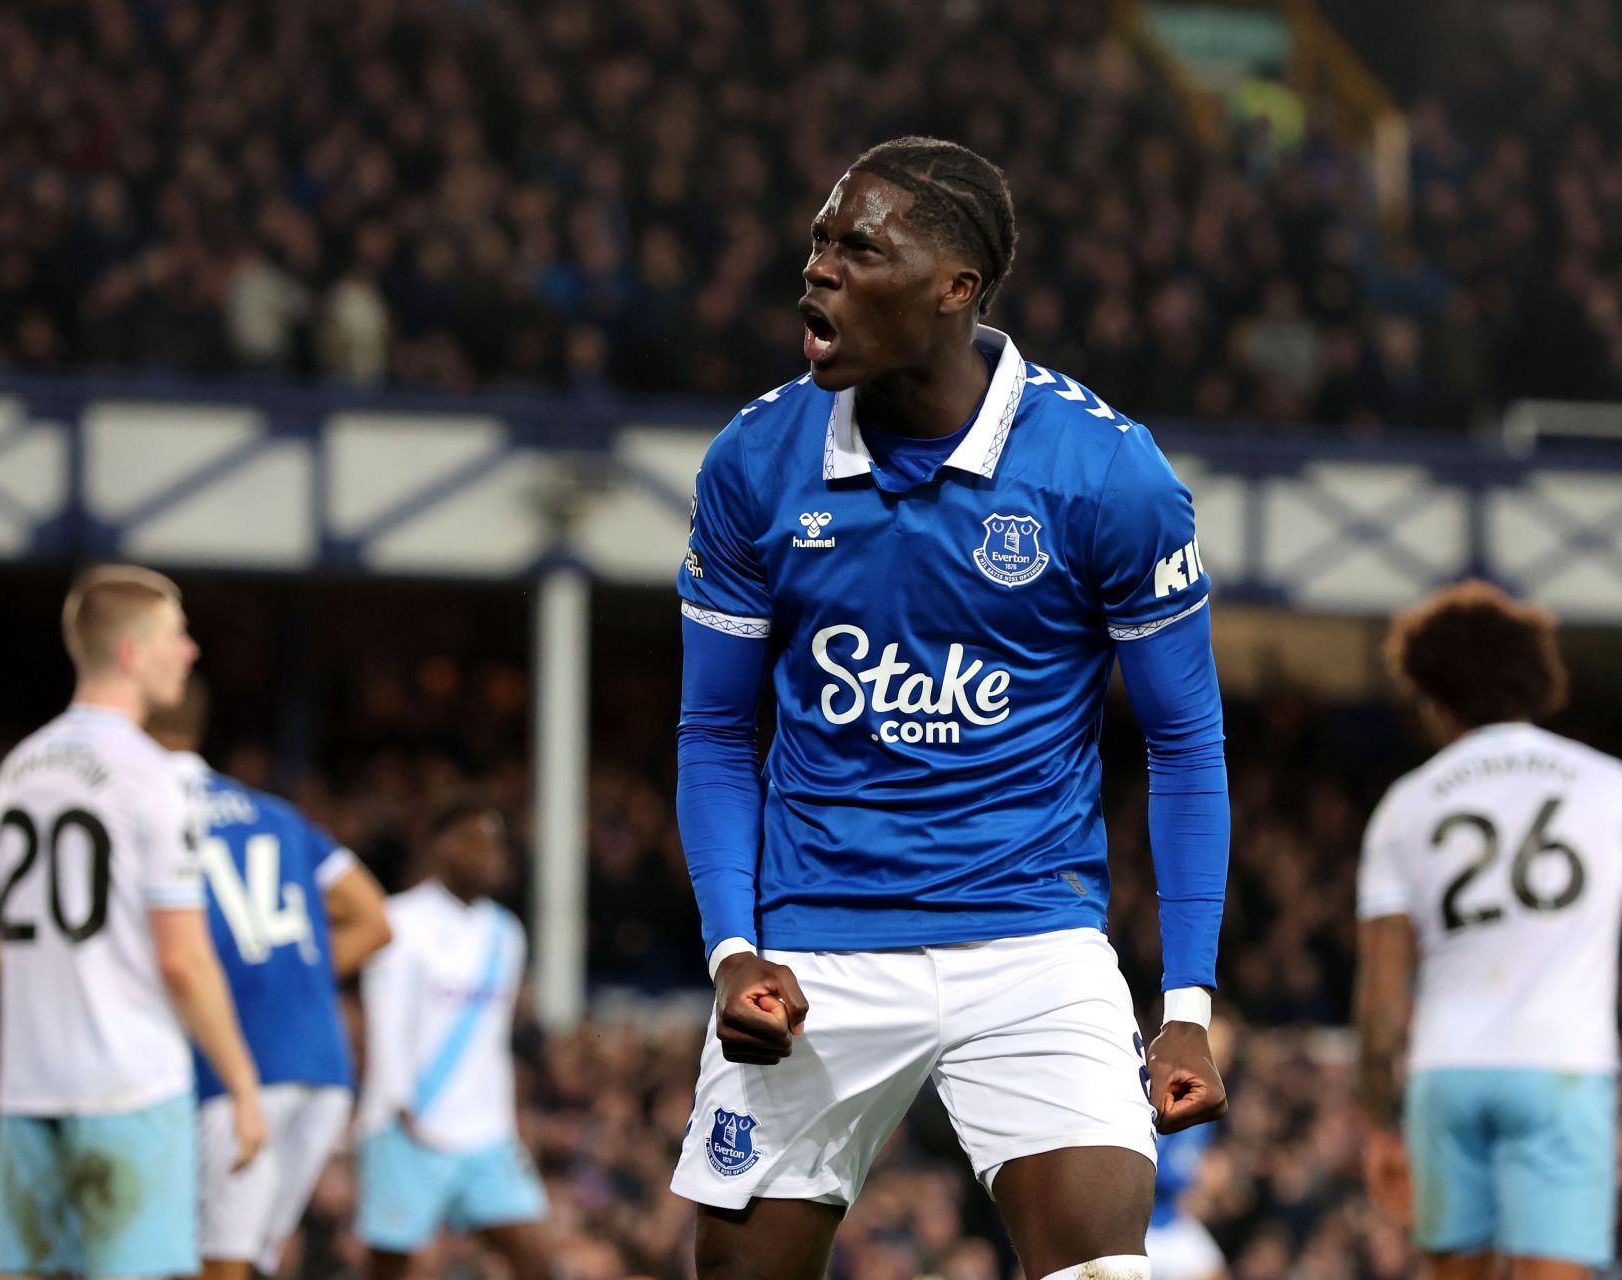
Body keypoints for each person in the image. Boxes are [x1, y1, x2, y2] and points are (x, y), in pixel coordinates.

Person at [672, 135, 1231, 1280]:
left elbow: (1183, 741)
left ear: (954, 288)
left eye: (857, 248)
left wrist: (1187, 1001)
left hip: (1032, 935)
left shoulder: (1105, 473)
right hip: (814, 940)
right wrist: (733, 949)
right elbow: (717, 732)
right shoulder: (752, 460)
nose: (816, 271)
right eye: (818, 242)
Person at [1353, 581, 1622, 1280]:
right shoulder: (1611, 785)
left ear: (1434, 692)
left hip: (1447, 1071)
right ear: (1533, 678)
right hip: (1563, 1067)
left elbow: (1381, 993)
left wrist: (1380, 1124)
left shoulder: (1405, 806)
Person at [0, 565, 264, 1279]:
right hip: (129, 1088)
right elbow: (183, 960)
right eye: (177, 634)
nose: (191, 651)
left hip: (29, 1090)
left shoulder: (17, 771)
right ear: (133, 652)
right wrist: (241, 1084)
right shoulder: (155, 778)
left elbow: (1, 948)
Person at [146, 676, 392, 1280]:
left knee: (213, 1259)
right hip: (324, 1069)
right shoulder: (276, 815)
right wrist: (296, 971)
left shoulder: (147, 813)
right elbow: (375, 919)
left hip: (240, 1066)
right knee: (248, 1256)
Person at [354, 798, 548, 1280]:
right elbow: (385, 1019)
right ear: (443, 847)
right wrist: (397, 1100)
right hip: (408, 1121)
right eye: (479, 841)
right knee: (390, 1264)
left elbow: (492, 1037)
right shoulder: (398, 920)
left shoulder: (507, 933)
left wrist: (507, 1116)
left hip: (485, 1131)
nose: (494, 854)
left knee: (534, 1259)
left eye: (498, 843)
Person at [1145, 1017, 1235, 1280]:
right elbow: (1145, 1168)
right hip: (1135, 1223)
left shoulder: (1208, 1107)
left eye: (1224, 1054)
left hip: (1169, 1222)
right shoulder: (1163, 1091)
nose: (1220, 1061)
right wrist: (1197, 1177)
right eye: (1213, 1051)